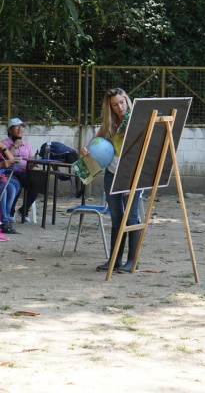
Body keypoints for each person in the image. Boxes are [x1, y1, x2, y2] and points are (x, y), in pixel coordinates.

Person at [82, 88, 142, 273]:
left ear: (127, 101)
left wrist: (131, 177)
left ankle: (133, 260)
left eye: (122, 102)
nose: (119, 107)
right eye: (114, 105)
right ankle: (115, 259)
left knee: (131, 217)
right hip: (111, 172)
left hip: (132, 173)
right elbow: (90, 144)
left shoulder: (136, 121)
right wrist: (84, 149)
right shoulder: (108, 124)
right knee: (116, 216)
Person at [1, 118, 38, 223]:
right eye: (17, 126)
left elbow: (31, 160)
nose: (20, 129)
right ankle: (11, 212)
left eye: (22, 127)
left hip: (25, 172)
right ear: (10, 129)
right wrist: (14, 145)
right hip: (9, 172)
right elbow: (4, 159)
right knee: (16, 185)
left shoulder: (27, 144)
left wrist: (33, 164)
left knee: (36, 186)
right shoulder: (3, 143)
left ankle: (24, 210)